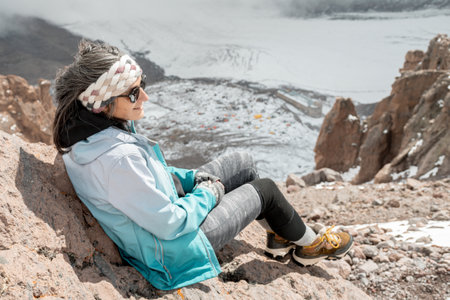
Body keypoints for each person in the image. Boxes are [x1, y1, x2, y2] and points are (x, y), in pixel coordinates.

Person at [53, 40, 353, 291]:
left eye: (141, 85)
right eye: (133, 92)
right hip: (174, 249)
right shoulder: (117, 159)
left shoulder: (95, 131)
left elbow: (146, 181)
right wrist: (208, 194)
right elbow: (169, 224)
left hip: (158, 224)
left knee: (243, 162)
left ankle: (280, 234)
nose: (144, 95)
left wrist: (191, 178)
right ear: (102, 102)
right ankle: (310, 246)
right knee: (265, 190)